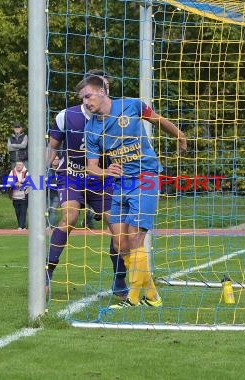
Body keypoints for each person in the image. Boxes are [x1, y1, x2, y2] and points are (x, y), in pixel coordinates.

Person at [78, 74, 187, 308]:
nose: (85, 102)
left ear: (101, 91)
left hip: (145, 178)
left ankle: (133, 298)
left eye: (88, 96)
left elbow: (157, 120)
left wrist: (179, 135)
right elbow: (92, 167)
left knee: (136, 238)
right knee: (120, 244)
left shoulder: (132, 105)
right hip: (120, 184)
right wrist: (106, 172)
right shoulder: (91, 129)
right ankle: (154, 297)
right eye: (83, 99)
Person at [46, 70, 128, 301]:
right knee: (69, 218)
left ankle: (119, 280)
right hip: (71, 175)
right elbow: (52, 147)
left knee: (119, 230)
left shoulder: (116, 117)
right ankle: (47, 274)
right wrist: (41, 176)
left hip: (102, 180)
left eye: (108, 88)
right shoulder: (67, 116)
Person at [8, 160, 29, 230]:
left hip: (24, 196)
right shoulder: (12, 172)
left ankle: (20, 226)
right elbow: (9, 181)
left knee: (23, 211)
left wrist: (22, 185)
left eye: (20, 165)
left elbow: (30, 182)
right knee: (17, 212)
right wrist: (15, 184)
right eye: (17, 165)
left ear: (23, 166)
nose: (18, 166)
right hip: (15, 196)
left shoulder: (27, 172)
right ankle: (22, 226)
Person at [46, 155, 60, 228]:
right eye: (54, 159)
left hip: (56, 194)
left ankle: (50, 226)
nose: (55, 161)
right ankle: (45, 226)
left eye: (57, 159)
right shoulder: (47, 170)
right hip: (47, 193)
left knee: (53, 211)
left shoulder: (61, 170)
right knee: (46, 211)